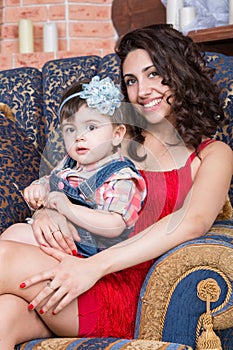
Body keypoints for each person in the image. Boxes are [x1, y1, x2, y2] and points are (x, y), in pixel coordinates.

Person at [0, 24, 232, 350]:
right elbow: (66, 184)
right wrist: (46, 214)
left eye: (154, 74)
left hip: (119, 291)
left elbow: (193, 223)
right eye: (131, 81)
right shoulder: (117, 140)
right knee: (3, 319)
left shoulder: (211, 154)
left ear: (180, 73)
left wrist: (93, 268)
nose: (142, 90)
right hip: (73, 267)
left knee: (3, 257)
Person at [1, 76, 147, 257]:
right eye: (70, 129)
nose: (79, 137)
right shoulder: (69, 164)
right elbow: (51, 182)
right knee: (13, 235)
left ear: (117, 134)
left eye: (91, 127)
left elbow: (116, 224)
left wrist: (68, 208)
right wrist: (37, 189)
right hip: (59, 234)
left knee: (15, 239)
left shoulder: (120, 176)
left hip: (88, 251)